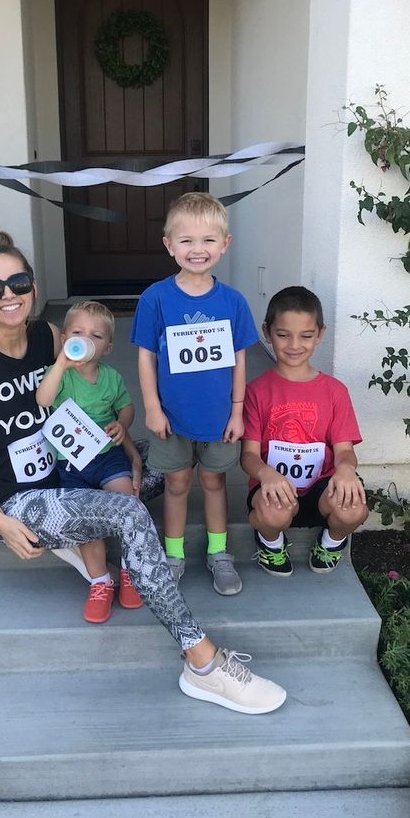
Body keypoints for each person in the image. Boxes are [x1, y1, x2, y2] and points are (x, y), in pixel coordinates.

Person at [0, 230, 286, 715]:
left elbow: (91, 386)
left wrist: (128, 426)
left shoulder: (48, 336)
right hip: (24, 499)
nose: (8, 296)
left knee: (166, 456)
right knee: (128, 512)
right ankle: (202, 661)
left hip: (71, 468)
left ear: (33, 287)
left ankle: (97, 539)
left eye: (17, 282)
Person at [131, 192, 259, 596]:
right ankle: (173, 555)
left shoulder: (233, 302)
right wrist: (152, 407)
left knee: (215, 481)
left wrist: (238, 411)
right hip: (171, 416)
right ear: (169, 245)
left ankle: (219, 553)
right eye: (186, 240)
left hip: (219, 417)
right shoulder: (156, 298)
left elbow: (240, 360)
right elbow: (146, 356)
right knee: (176, 484)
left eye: (208, 240)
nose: (197, 249)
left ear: (225, 244)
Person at [241, 286, 369, 576]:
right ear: (267, 332)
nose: (294, 345)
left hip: (321, 488)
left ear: (320, 334)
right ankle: (269, 542)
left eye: (306, 336)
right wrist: (265, 474)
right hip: (274, 489)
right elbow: (248, 456)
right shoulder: (256, 391)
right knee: (273, 514)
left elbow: (345, 450)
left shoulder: (334, 391)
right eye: (283, 334)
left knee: (354, 508)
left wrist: (346, 470)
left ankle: (331, 542)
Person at [36, 300, 144, 623]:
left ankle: (128, 570)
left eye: (96, 336)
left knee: (126, 503)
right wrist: (59, 365)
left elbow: (126, 408)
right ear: (66, 338)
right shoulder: (61, 376)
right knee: (85, 524)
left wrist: (122, 424)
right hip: (71, 463)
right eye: (78, 333)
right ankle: (100, 582)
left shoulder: (111, 378)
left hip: (107, 456)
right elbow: (42, 399)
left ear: (108, 347)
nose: (86, 340)